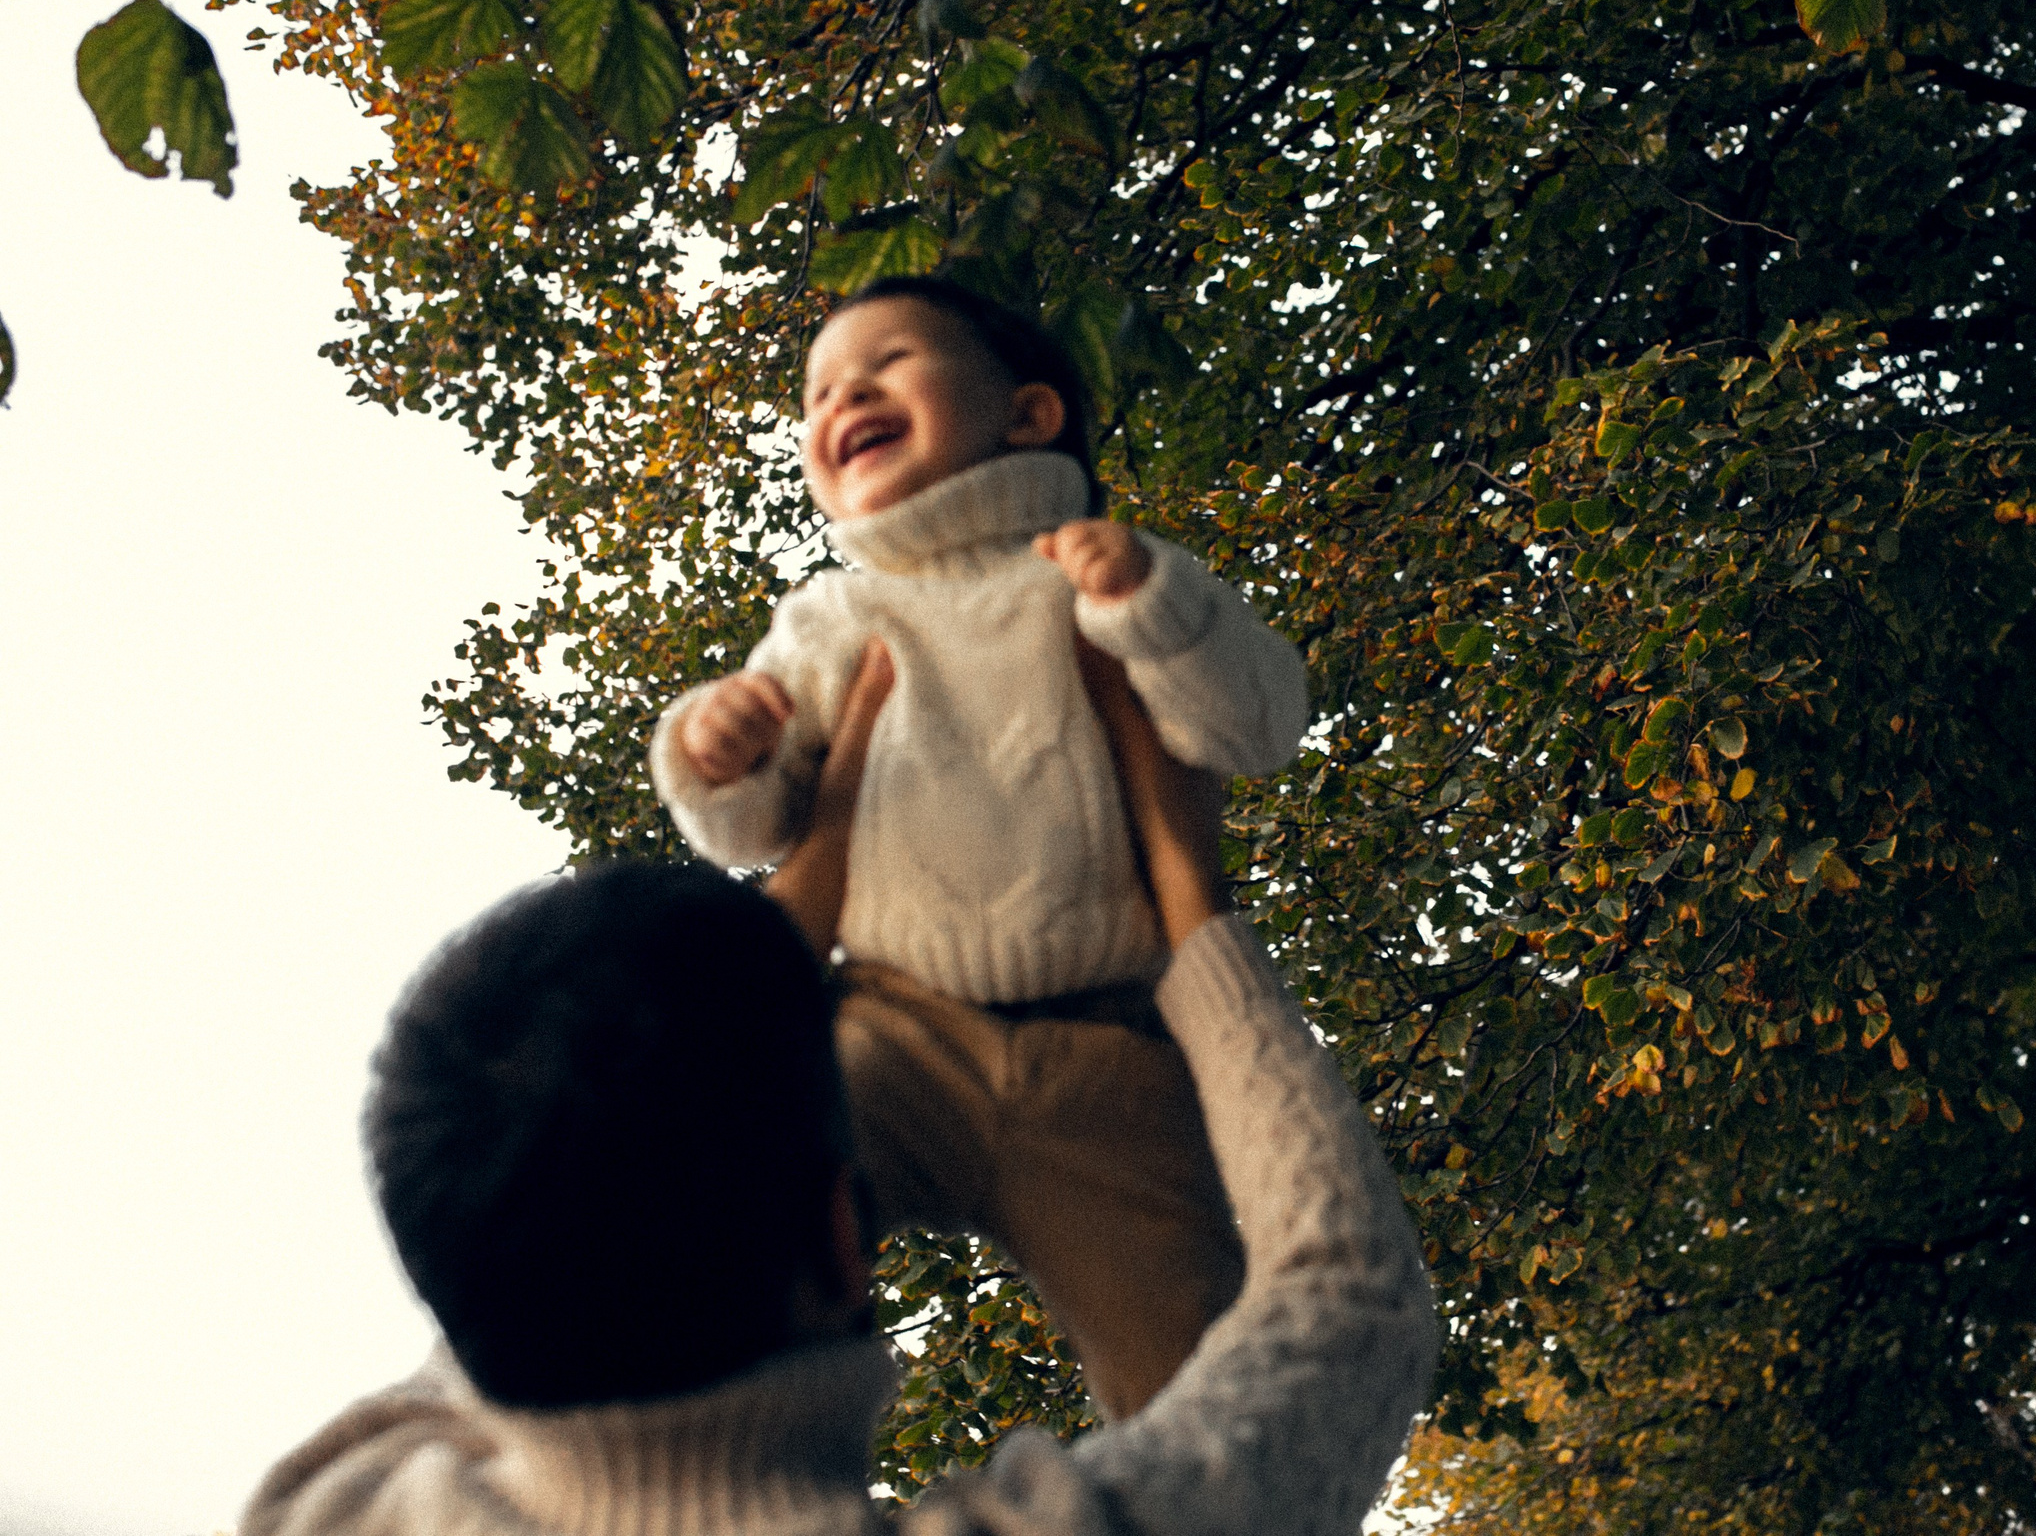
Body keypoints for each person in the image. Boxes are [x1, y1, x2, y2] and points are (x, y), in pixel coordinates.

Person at [240, 645, 1437, 1536]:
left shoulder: (347, 1504)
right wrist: (1190, 897)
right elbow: (1348, 1301)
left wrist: (828, 841)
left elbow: (560, 1215)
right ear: (842, 1233)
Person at [647, 276, 1307, 1417]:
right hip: (894, 1028)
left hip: (1113, 1057)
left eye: (885, 362)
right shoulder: (833, 618)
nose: (841, 395)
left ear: (1029, 416)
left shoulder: (1107, 573)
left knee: (1199, 1389)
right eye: (816, 392)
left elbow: (1256, 724)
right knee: (734, 1209)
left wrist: (1150, 604)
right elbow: (750, 832)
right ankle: (717, 1448)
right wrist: (720, 750)